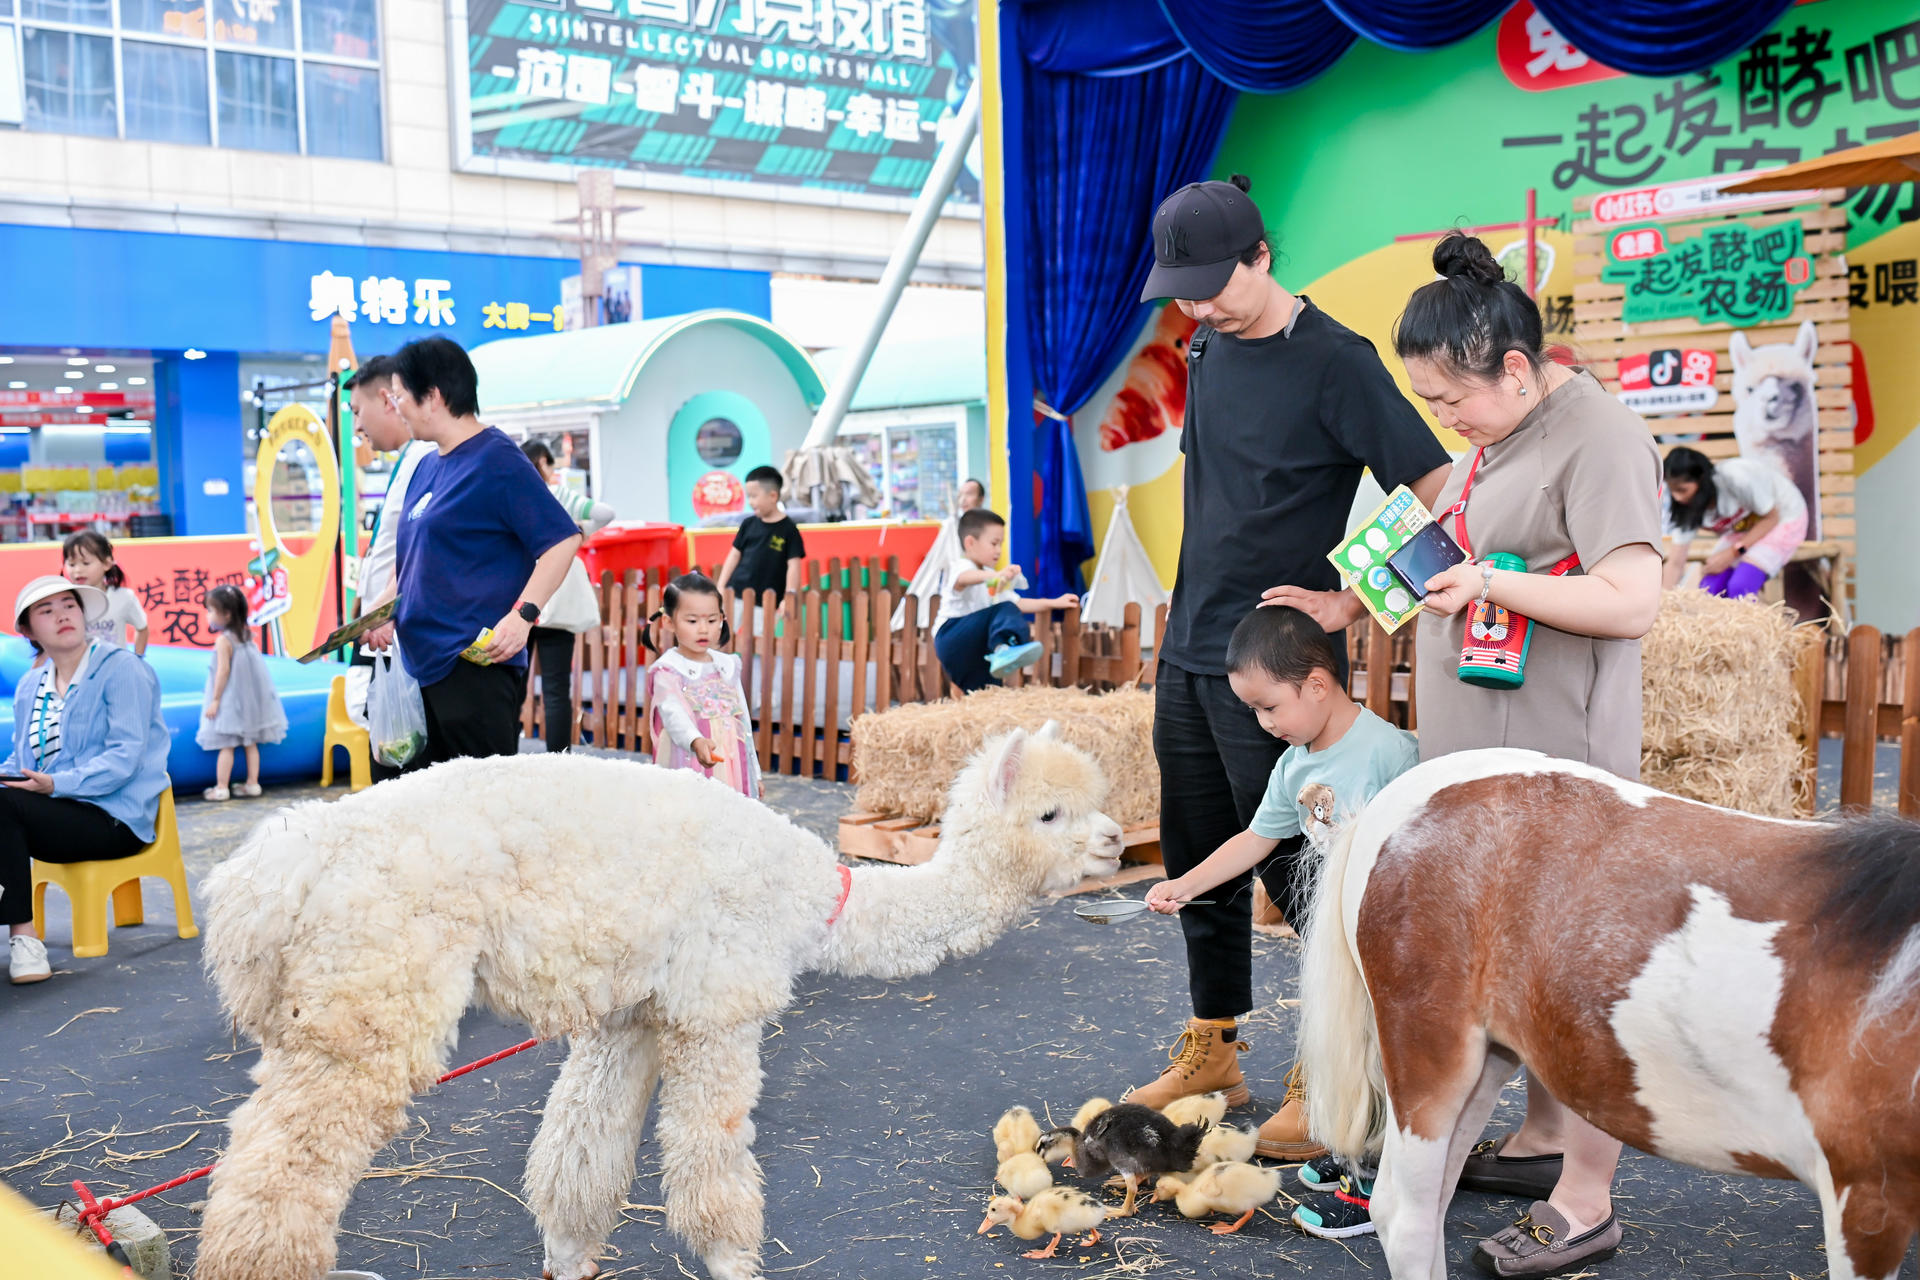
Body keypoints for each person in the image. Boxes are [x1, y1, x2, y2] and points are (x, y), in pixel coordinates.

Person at [1340, 231, 1660, 1274]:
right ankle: (1539, 1141)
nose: (1447, 420)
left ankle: (1585, 1198)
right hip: (1488, 766)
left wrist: (1490, 586)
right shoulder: (1498, 438)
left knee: (1575, 976)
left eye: (1450, 401)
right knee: (1515, 971)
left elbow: (1631, 597)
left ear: (1515, 367)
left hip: (1558, 767)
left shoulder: (1598, 435)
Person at [1134, 174, 1452, 1155]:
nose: (1199, 308)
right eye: (1183, 291)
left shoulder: (1338, 362)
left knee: (1311, 872)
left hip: (1279, 667)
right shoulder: (1206, 345)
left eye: (1216, 285)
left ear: (1263, 256)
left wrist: (1353, 601)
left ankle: (1331, 1068)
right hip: (1191, 654)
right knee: (1199, 855)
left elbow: (1442, 491)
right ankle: (1215, 1044)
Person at [1145, 605, 1415, 1215]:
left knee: (1385, 1042)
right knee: (1347, 1037)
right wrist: (1186, 884)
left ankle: (1378, 1172)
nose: (1263, 723)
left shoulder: (1389, 752)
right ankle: (1352, 1145)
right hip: (1339, 933)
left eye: (1270, 707)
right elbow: (1255, 840)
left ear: (1317, 685)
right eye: (1254, 711)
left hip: (1390, 929)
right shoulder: (1294, 763)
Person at [362, 338, 582, 764]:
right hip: (418, 666)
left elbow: (561, 540)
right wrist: (381, 609)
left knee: (481, 809)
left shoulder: (497, 460)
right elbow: (410, 563)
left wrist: (523, 617)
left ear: (433, 398)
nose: (398, 407)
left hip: (473, 665)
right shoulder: (427, 464)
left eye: (401, 396)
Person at [0, 576, 170, 984]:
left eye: (69, 605)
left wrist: (57, 785)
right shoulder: (29, 685)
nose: (61, 615)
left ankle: (24, 938)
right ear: (28, 630)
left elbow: (124, 758)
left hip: (113, 818)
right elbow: (21, 757)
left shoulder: (122, 669)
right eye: (47, 610)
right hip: (55, 813)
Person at [520, 438, 615, 755]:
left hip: (519, 596)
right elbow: (605, 512)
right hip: (557, 597)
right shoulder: (558, 495)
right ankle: (559, 760)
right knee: (557, 688)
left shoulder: (515, 496)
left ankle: (504, 753)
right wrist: (579, 531)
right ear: (544, 463)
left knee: (514, 683)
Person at [932, 508, 1078, 692]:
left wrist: (1054, 603)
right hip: (951, 636)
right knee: (1004, 609)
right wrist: (996, 575)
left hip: (974, 647)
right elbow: (964, 578)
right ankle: (1004, 648)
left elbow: (1018, 604)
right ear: (970, 542)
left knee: (988, 690)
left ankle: (1000, 658)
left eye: (1001, 544)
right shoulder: (961, 566)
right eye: (994, 543)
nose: (998, 550)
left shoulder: (992, 578)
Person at [645, 572, 760, 798]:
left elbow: (743, 721)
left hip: (732, 764)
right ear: (669, 621)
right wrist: (695, 741)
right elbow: (673, 714)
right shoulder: (668, 670)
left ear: (722, 619)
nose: (703, 629)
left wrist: (755, 775)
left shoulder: (727, 665)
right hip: (688, 761)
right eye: (692, 621)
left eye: (711, 620)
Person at [1659, 446, 1808, 599]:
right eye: (1673, 491)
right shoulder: (1686, 507)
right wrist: (1664, 601)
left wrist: (1731, 553)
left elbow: (1771, 518)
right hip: (1745, 529)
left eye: (1682, 490)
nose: (1677, 497)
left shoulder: (1736, 478)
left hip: (1783, 519)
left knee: (1741, 586)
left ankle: (1751, 622)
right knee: (1709, 590)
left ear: (1701, 479)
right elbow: (1676, 562)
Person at [196, 584, 288, 802]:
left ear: (226, 614)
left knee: (226, 745)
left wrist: (215, 699)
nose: (208, 616)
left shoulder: (224, 640)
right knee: (250, 743)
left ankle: (221, 787)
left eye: (211, 611)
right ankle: (252, 783)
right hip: (249, 703)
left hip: (230, 702)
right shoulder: (247, 635)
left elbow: (223, 672)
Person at [716, 466, 805, 605]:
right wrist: (721, 585)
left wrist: (789, 596)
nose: (750, 502)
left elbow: (793, 566)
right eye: (748, 496)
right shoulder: (748, 524)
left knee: (761, 628)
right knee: (730, 626)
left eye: (754, 496)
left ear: (773, 496)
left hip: (767, 602)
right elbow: (734, 556)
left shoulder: (789, 530)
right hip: (736, 595)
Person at [62, 531, 148, 655]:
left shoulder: (124, 597)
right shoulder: (65, 601)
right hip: (80, 671)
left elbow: (142, 628)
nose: (78, 570)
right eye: (71, 564)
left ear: (107, 564)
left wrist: (138, 659)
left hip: (116, 670)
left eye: (86, 563)